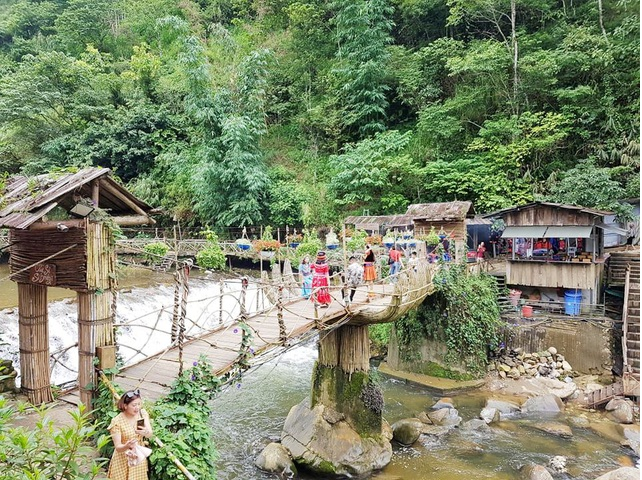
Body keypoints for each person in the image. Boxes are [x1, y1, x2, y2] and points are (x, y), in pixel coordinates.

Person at [108, 389, 153, 480]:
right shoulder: (117, 422)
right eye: (134, 405)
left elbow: (150, 434)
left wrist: (145, 432)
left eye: (139, 404)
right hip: (123, 459)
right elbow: (118, 447)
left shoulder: (142, 414)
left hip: (138, 458)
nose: (137, 408)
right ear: (125, 406)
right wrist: (127, 445)